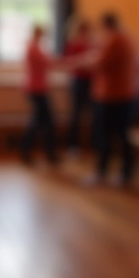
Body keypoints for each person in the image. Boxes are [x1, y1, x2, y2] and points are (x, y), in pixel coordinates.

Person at [89, 13, 138, 186]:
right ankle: (124, 173)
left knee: (108, 135)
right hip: (121, 95)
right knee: (121, 135)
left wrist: (82, 61)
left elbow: (100, 63)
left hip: (112, 96)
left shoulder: (116, 41)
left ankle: (105, 173)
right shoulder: (124, 38)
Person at [21, 25, 60, 167]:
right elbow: (47, 63)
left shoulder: (36, 46)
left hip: (39, 88)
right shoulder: (34, 47)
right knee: (42, 122)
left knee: (44, 122)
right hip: (36, 89)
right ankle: (31, 152)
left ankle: (48, 153)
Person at [64, 18, 94, 157]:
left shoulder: (92, 44)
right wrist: (82, 61)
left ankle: (93, 145)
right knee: (75, 115)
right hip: (78, 82)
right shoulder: (73, 44)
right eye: (83, 29)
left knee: (94, 116)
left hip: (91, 82)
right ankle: (73, 145)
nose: (85, 32)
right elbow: (69, 63)